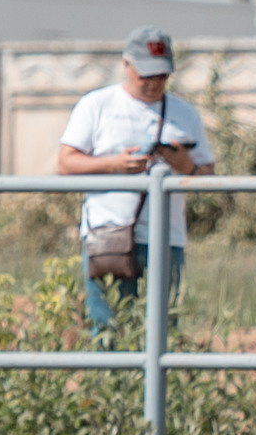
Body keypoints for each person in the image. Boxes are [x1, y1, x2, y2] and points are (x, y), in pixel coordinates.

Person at [56, 26, 215, 335]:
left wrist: (185, 166)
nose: (154, 83)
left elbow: (207, 174)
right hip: (108, 233)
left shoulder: (185, 113)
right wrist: (115, 163)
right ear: (126, 65)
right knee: (109, 328)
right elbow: (66, 162)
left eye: (162, 76)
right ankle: (111, 383)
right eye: (146, 75)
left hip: (167, 237)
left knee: (164, 330)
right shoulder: (97, 105)